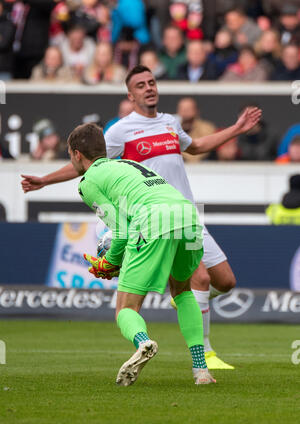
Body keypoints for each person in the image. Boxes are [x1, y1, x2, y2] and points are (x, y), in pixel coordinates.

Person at [21, 65, 262, 370]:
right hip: (153, 220)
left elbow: (197, 146)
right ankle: (206, 357)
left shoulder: (170, 122)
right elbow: (90, 162)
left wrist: (237, 129)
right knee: (195, 280)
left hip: (185, 210)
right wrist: (45, 179)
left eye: (151, 82)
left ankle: (174, 327)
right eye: (140, 85)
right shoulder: (121, 130)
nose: (149, 88)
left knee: (225, 281)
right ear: (130, 94)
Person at [67, 121, 215, 386]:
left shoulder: (88, 182)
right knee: (183, 291)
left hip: (153, 220)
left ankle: (143, 342)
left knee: (125, 308)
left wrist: (108, 263)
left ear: (77, 154)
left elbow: (122, 232)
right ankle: (201, 370)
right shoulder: (130, 164)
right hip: (189, 216)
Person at [176, 97, 217, 162]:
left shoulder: (207, 128)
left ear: (196, 111)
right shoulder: (172, 129)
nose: (185, 112)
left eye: (188, 109)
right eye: (182, 109)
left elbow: (205, 148)